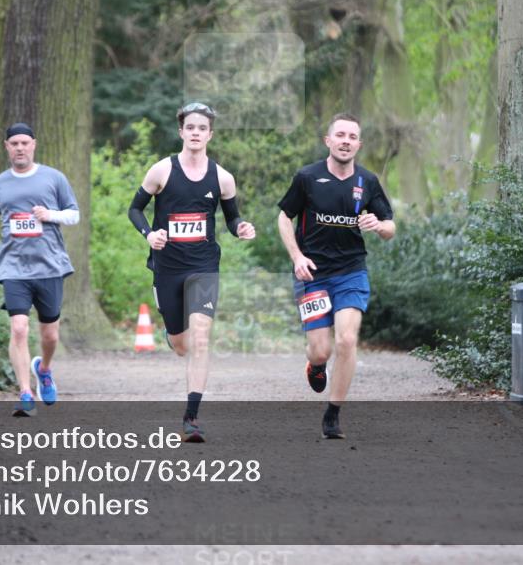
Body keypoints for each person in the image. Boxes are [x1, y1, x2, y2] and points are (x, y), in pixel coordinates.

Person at [128, 102, 256, 442]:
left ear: (210, 134)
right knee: (182, 344)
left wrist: (241, 226)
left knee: (201, 338)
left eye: (203, 128)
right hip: (167, 267)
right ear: (182, 132)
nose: (196, 133)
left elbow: (231, 218)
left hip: (203, 266)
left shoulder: (223, 178)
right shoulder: (162, 171)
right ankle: (172, 333)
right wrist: (149, 234)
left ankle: (191, 418)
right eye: (191, 127)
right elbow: (135, 209)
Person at [277, 113, 395, 438]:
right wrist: (297, 257)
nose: (346, 141)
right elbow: (284, 217)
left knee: (346, 339)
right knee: (321, 350)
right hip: (312, 274)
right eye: (340, 135)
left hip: (351, 272)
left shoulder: (367, 182)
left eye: (352, 136)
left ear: (358, 144)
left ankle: (333, 413)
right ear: (328, 141)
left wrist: (380, 226)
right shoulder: (307, 177)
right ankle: (315, 365)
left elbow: (390, 227)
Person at [0, 123, 80, 417]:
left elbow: (74, 214)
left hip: (49, 265)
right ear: (6, 147)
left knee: (50, 336)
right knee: (19, 328)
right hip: (13, 267)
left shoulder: (53, 178)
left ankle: (43, 369)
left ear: (33, 144)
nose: (20, 148)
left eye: (25, 143)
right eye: (14, 143)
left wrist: (50, 215)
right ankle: (24, 393)